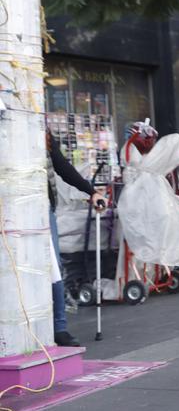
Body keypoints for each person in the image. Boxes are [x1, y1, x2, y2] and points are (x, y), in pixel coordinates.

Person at [47, 132, 106, 347]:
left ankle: (59, 328)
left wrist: (91, 192)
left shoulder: (40, 130)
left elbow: (61, 166)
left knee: (53, 266)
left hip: (42, 207)